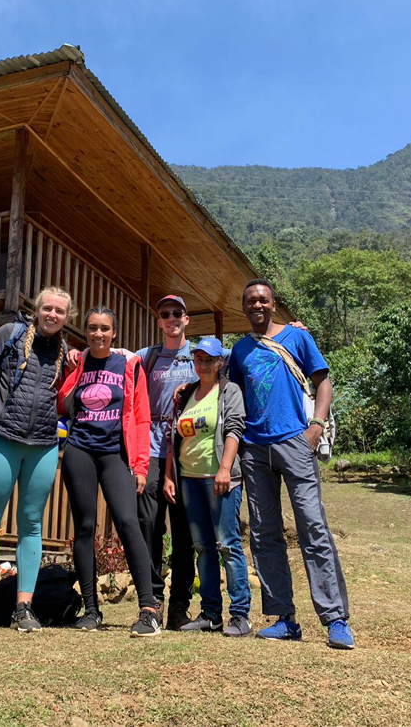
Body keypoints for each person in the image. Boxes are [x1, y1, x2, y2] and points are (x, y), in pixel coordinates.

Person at [228, 279, 355, 650]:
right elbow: (235, 395)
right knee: (265, 534)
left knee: (313, 528)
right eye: (250, 301)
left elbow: (323, 381)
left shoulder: (298, 338)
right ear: (244, 306)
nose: (257, 306)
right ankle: (284, 618)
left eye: (263, 300)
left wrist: (316, 424)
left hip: (294, 443)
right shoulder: (239, 351)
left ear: (273, 304)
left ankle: (335, 620)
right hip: (254, 450)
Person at [0, 287, 75, 635]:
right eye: (48, 309)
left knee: (32, 525)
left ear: (66, 318)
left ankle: (24, 607)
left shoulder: (64, 351)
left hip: (42, 445)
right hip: (2, 437)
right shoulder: (10, 335)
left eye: (60, 311)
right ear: (36, 310)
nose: (52, 315)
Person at [57, 305, 160, 637]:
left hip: (116, 452)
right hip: (80, 450)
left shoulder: (129, 365)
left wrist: (141, 465)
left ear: (114, 333)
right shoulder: (80, 361)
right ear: (85, 332)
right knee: (84, 527)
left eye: (104, 328)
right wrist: (72, 364)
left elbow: (142, 417)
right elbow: (62, 401)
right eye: (92, 328)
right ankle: (91, 609)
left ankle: (148, 610)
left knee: (128, 521)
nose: (98, 334)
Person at [163, 337, 252, 637]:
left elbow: (234, 429)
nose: (203, 364)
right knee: (203, 548)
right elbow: (174, 438)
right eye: (198, 358)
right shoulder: (187, 393)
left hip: (219, 478)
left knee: (228, 544)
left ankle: (240, 616)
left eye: (209, 359)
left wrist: (225, 468)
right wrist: (170, 475)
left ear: (220, 362)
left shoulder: (230, 391)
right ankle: (211, 614)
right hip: (189, 478)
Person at [135, 295, 197, 631]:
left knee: (185, 530)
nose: (171, 318)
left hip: (187, 450)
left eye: (177, 313)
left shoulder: (199, 355)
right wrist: (79, 352)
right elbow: (115, 358)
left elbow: (238, 359)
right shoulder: (148, 356)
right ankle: (152, 600)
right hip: (151, 449)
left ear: (187, 319)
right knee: (149, 526)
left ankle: (179, 607)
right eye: (165, 314)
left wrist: (287, 331)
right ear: (159, 321)